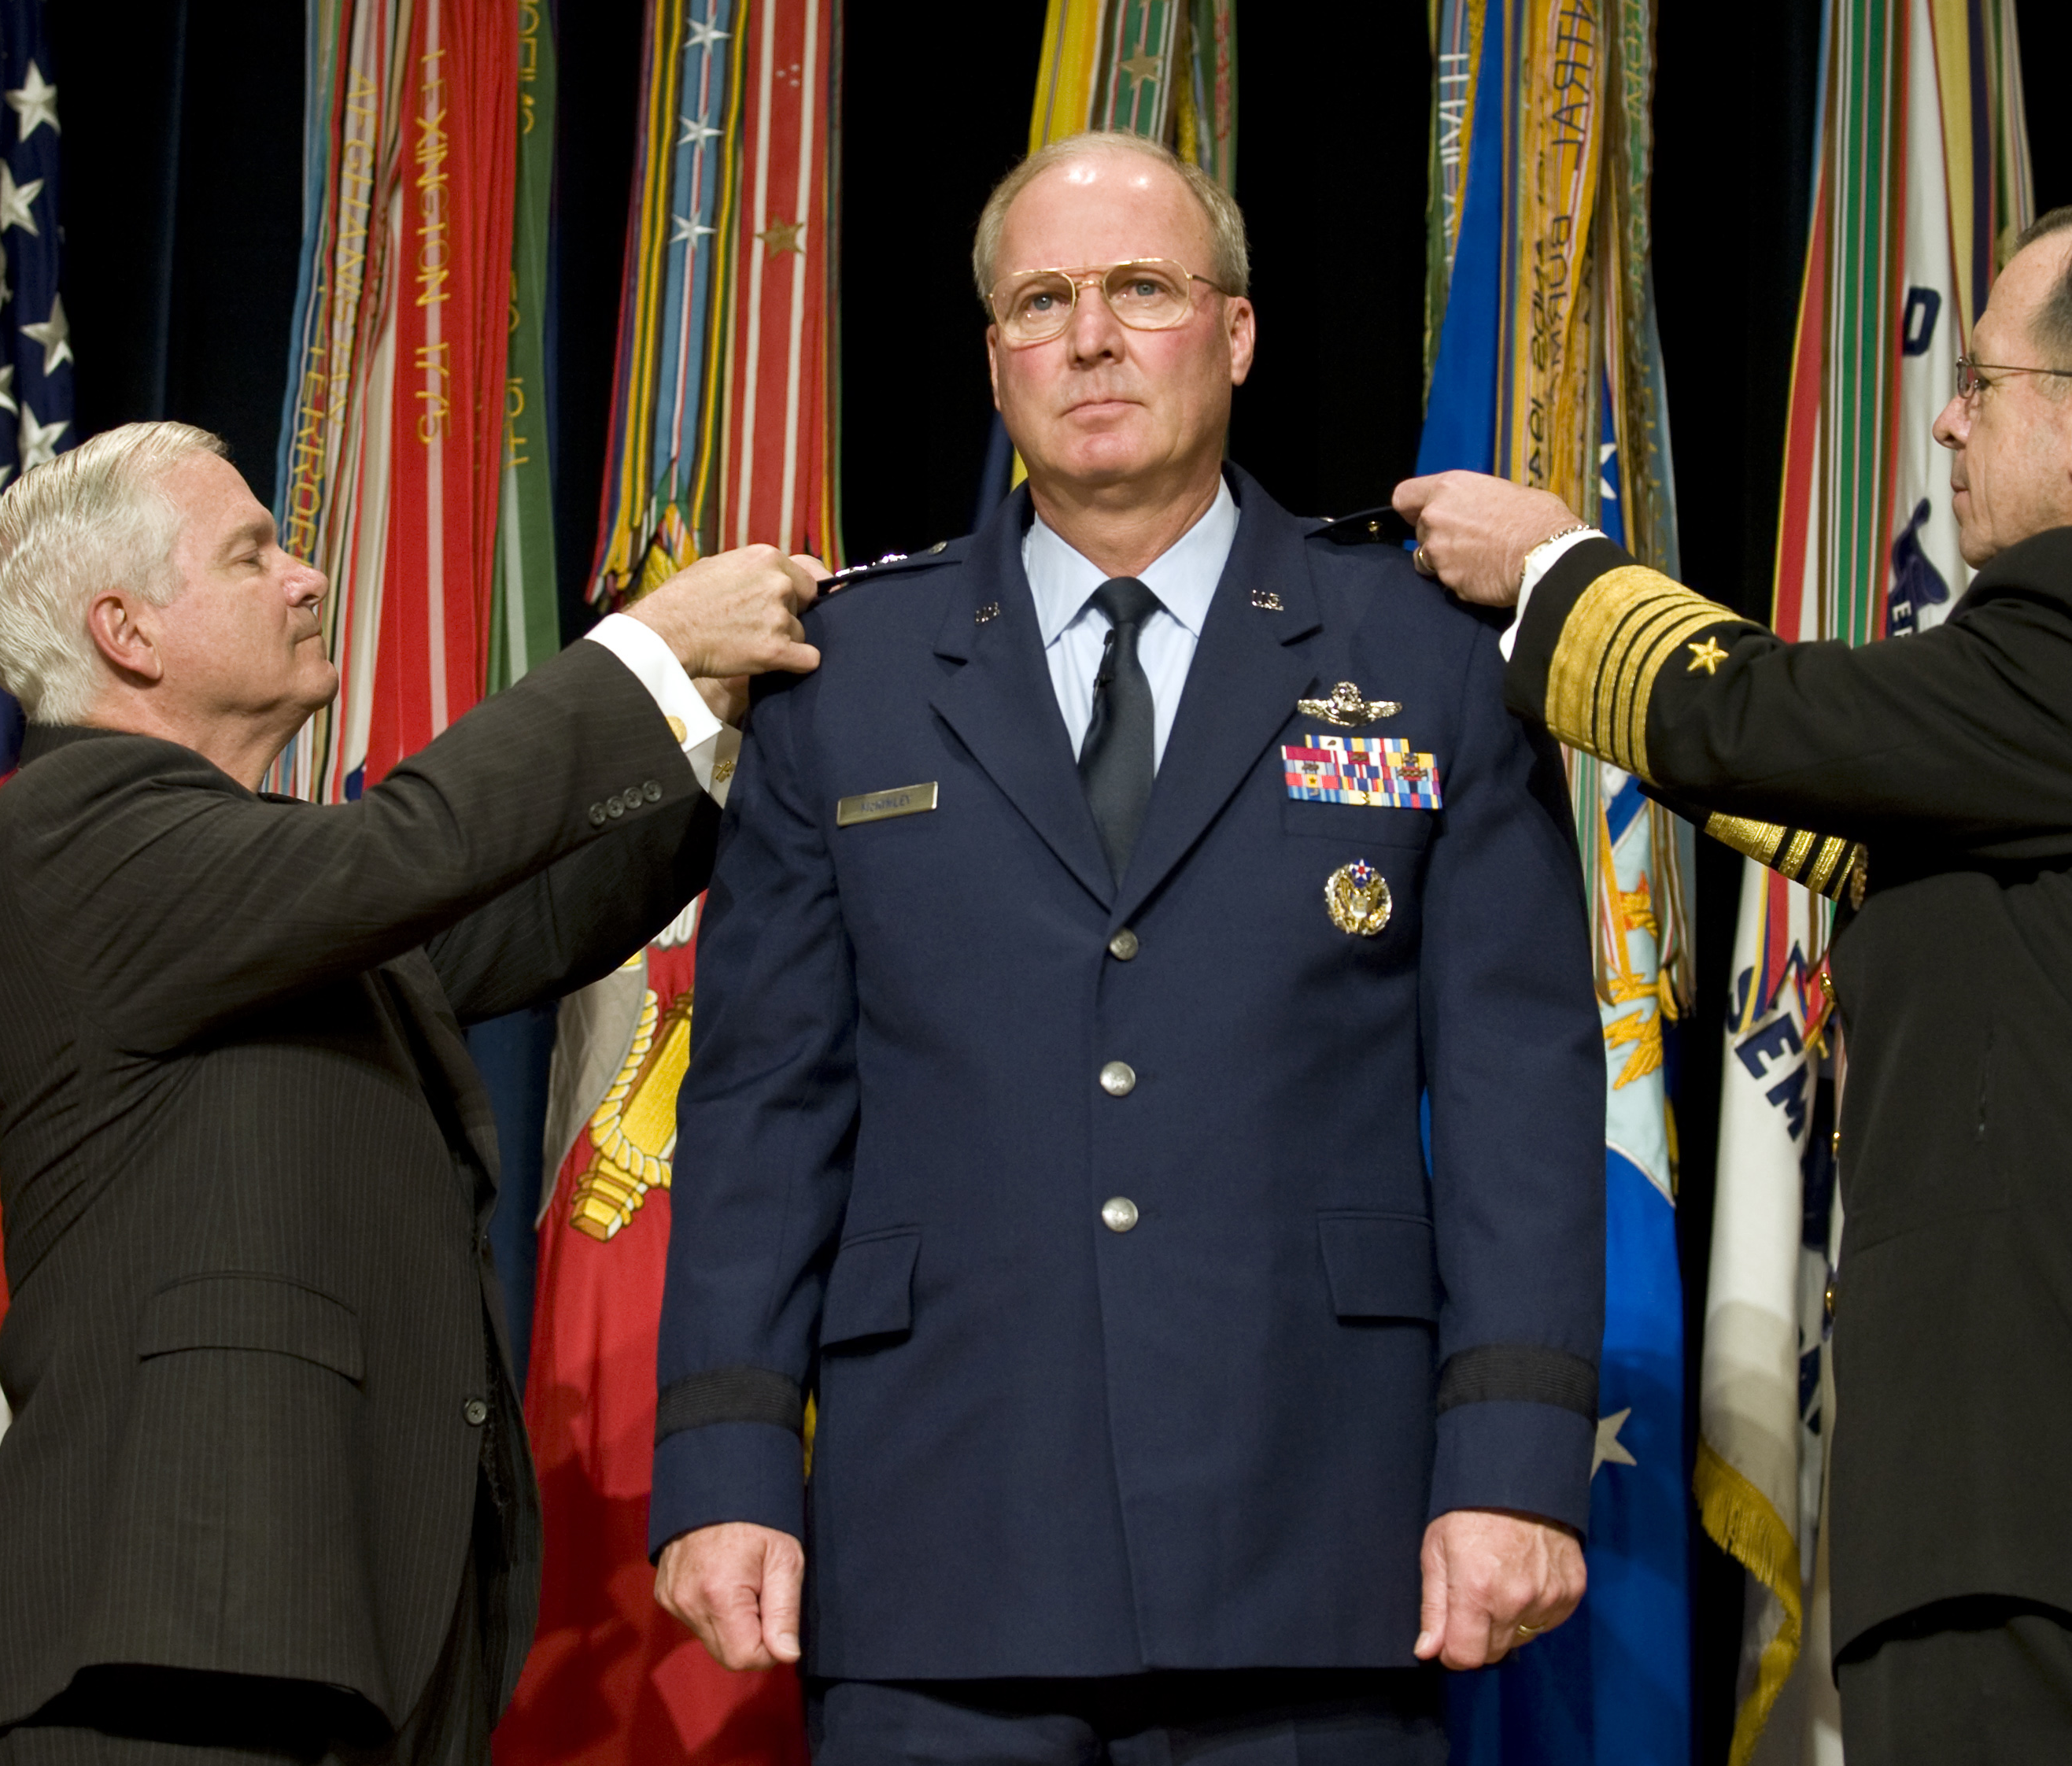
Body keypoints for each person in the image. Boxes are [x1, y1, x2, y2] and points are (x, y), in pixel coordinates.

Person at [649, 131, 1609, 1764]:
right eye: (1044, 301)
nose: (1090, 338)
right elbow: (762, 1113)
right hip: (941, 1543)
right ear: (994, 359)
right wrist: (728, 1472)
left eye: (1142, 290)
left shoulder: (1422, 655)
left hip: (1316, 1537)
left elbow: (1521, 1091)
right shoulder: (845, 673)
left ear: (1235, 335)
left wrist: (1516, 1463)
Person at [1398, 202, 2072, 1763]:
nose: (1945, 417)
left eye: (1980, 382)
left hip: (2068, 1550)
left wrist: (1550, 570)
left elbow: (1780, 724)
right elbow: (1855, 791)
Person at [0, 419, 822, 1764]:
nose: (306, 577)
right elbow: (415, 847)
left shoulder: (276, 892)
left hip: (347, 1636)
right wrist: (649, 653)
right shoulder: (61, 832)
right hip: (169, 1650)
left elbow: (520, 917)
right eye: (253, 554)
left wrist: (732, 724)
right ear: (127, 631)